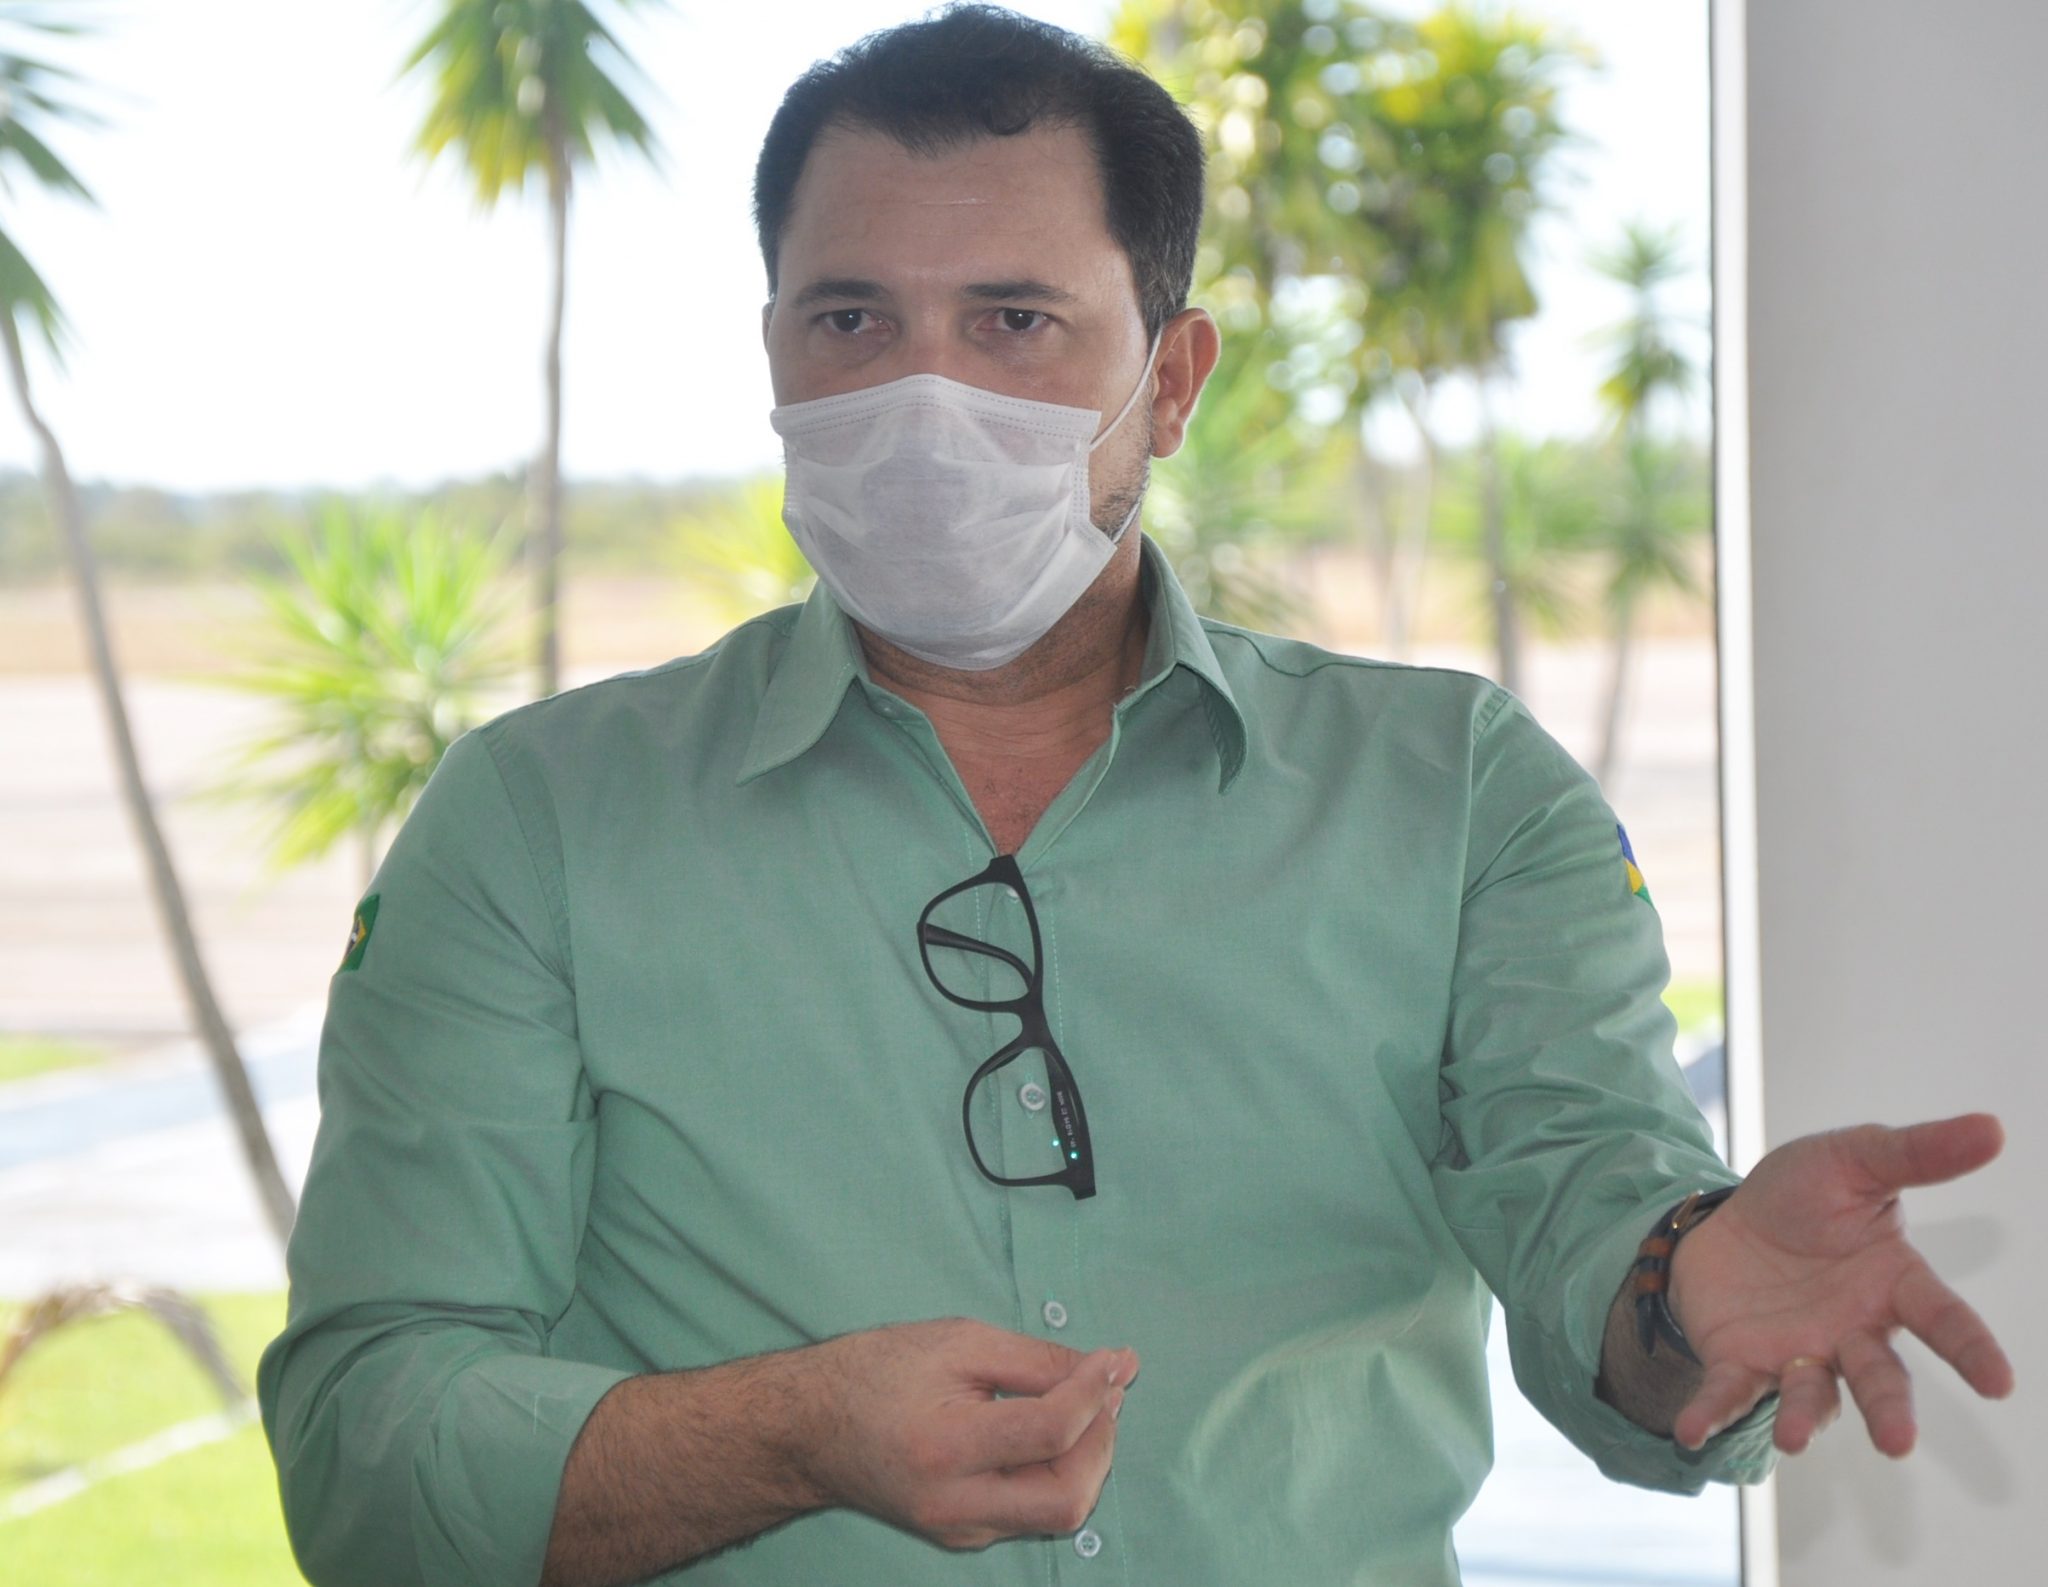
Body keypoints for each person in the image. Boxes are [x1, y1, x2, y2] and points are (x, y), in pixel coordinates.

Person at [256, 8, 2013, 1585]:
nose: (923, 397)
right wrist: (790, 1434)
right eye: (852, 319)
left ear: (1169, 382)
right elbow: (369, 1451)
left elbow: (1591, 1214)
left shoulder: (1458, 796)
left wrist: (1690, 1286)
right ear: (773, 351)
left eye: (1015, 322)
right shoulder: (539, 824)